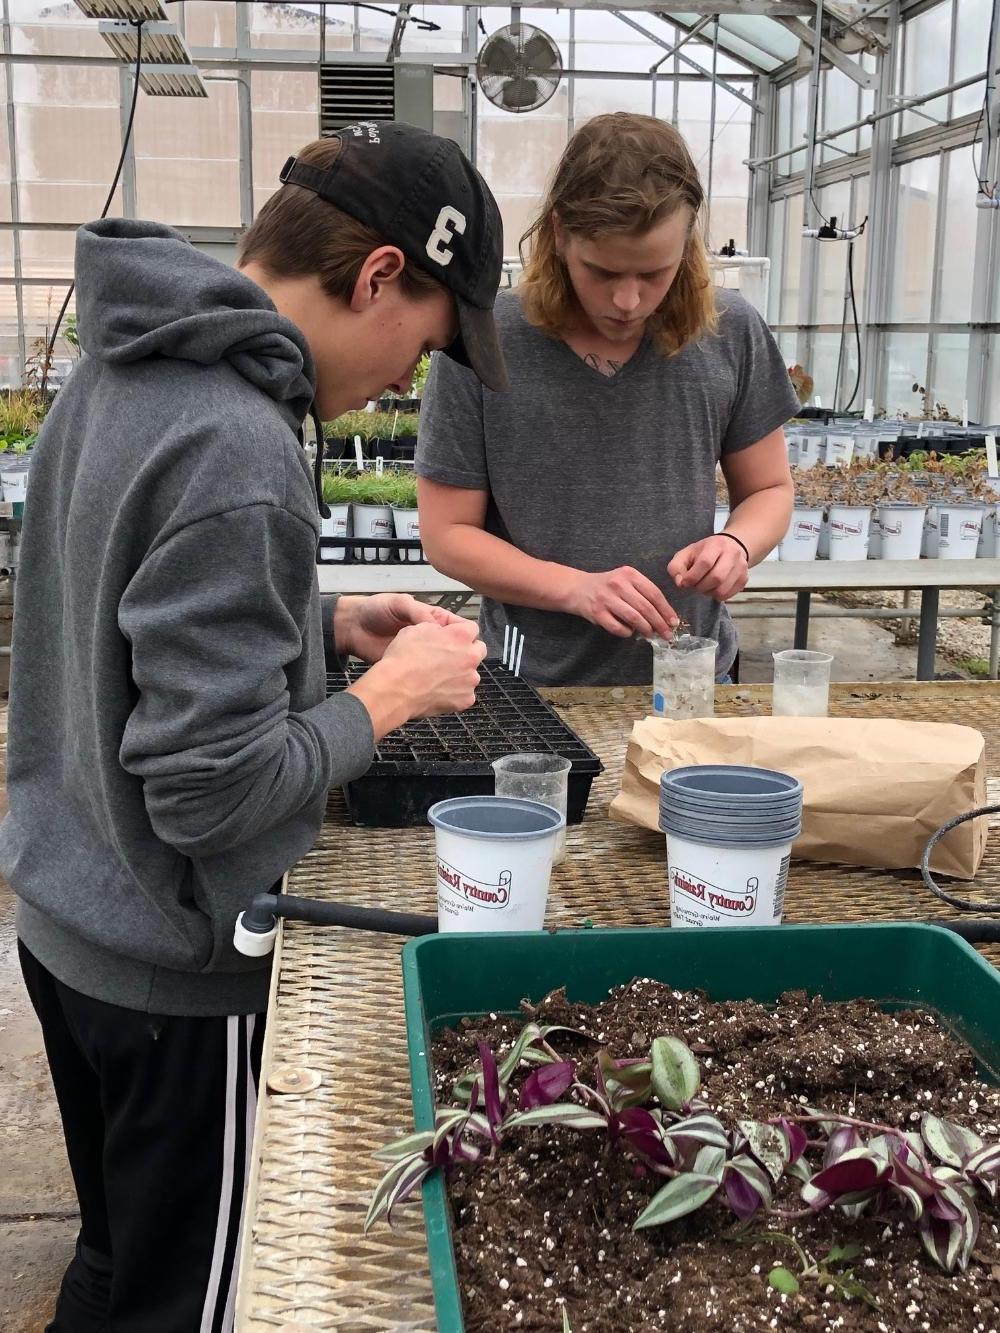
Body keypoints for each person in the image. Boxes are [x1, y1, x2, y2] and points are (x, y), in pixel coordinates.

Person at [1, 122, 507, 1332]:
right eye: (425, 348)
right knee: (192, 1301)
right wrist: (386, 700)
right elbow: (211, 791)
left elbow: (113, 607)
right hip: (174, 979)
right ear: (379, 274)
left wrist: (320, 622)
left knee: (118, 1261)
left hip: (68, 925)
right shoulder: (238, 441)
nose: (406, 384)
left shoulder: (126, 363)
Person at [416, 112, 799, 686]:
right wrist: (576, 589)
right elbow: (446, 534)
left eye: (654, 272)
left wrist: (736, 544)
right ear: (559, 235)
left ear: (688, 239)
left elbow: (769, 489)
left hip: (690, 670)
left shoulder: (730, 330)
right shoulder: (485, 341)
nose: (627, 299)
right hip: (532, 682)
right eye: (601, 272)